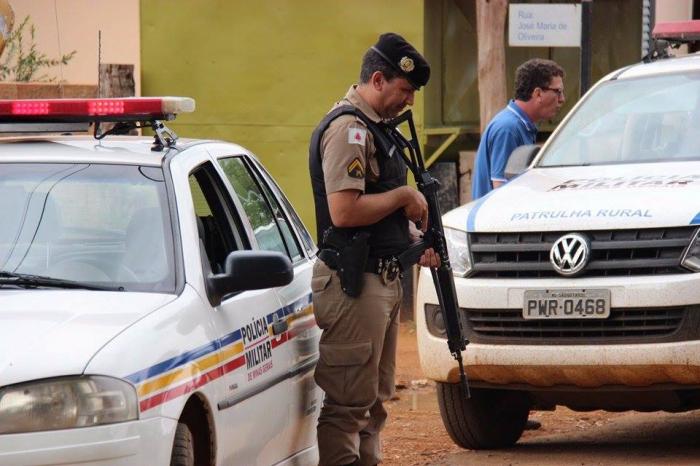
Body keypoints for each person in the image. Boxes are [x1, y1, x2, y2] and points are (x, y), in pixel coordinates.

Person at [308, 32, 439, 466]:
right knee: (348, 406)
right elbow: (344, 211)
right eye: (405, 91)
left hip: (376, 278)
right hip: (353, 284)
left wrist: (411, 239)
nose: (409, 102)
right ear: (378, 79)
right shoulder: (350, 130)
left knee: (373, 403)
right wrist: (404, 198)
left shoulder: (375, 129)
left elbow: (374, 205)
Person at [472, 58, 565, 199]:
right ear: (538, 93)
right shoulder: (508, 128)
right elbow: (502, 191)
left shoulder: (520, 125)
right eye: (558, 92)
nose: (562, 99)